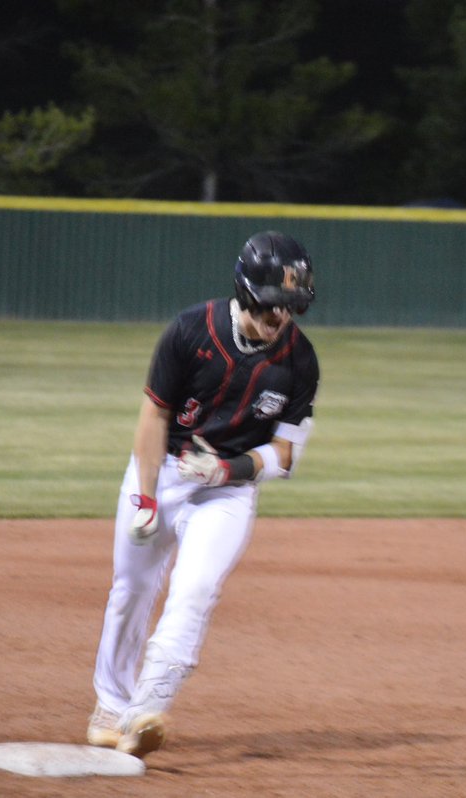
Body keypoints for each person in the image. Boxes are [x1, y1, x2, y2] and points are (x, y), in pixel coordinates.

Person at [87, 230, 321, 759]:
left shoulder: (300, 362)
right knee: (131, 590)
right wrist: (147, 500)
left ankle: (145, 711)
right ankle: (110, 704)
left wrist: (225, 471)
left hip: (228, 492)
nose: (281, 315)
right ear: (246, 290)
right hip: (162, 471)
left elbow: (284, 455)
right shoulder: (190, 330)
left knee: (194, 590)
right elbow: (155, 416)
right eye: (273, 303)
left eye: (291, 305)